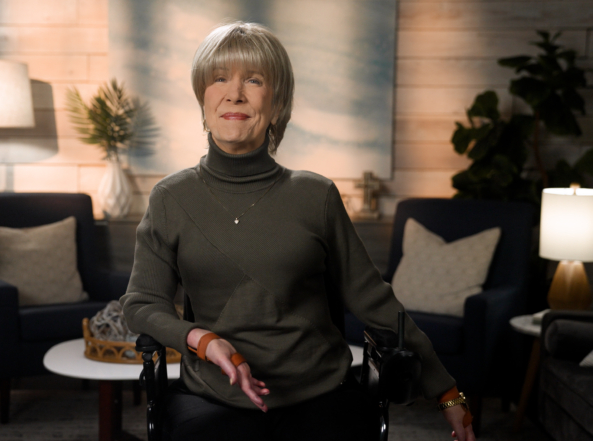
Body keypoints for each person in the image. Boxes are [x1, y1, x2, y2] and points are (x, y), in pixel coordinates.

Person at [120, 21, 476, 441]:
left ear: (277, 103)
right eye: (219, 79)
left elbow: (374, 300)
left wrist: (447, 391)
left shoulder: (317, 195)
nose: (234, 93)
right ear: (204, 98)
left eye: (254, 80)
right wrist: (201, 339)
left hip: (321, 395)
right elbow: (140, 304)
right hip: (213, 396)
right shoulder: (169, 198)